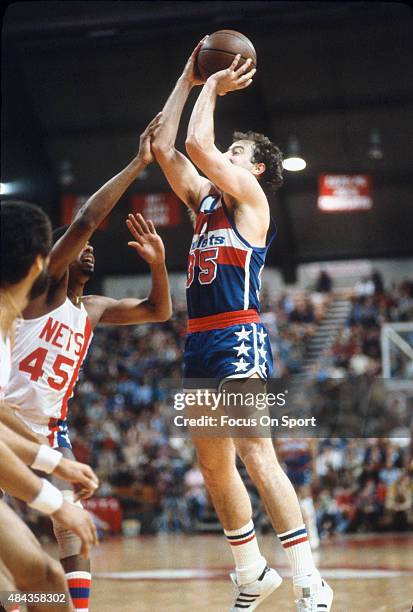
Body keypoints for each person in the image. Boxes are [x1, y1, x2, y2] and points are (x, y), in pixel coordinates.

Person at [151, 40, 333, 611]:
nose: (224, 154)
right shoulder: (203, 201)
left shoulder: (251, 198)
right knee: (211, 464)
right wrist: (188, 72)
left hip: (238, 335)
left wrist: (212, 84)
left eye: (237, 150)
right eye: (228, 149)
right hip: (199, 339)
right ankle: (251, 571)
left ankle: (309, 579)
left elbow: (197, 143)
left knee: (257, 452)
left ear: (254, 167)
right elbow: (164, 143)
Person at [4, 116, 171, 612]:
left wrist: (159, 264)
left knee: (69, 528)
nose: (91, 253)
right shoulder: (43, 293)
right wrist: (137, 164)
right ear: (56, 257)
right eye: (83, 251)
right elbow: (85, 222)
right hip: (7, 417)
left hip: (50, 427)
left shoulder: (93, 308)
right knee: (32, 556)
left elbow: (157, 311)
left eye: (93, 251)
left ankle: (78, 608)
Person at [0, 201, 97, 611]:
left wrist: (56, 465)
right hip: (32, 432)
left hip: (37, 433)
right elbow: (87, 220)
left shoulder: (9, 321)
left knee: (45, 584)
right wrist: (54, 499)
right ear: (41, 262)